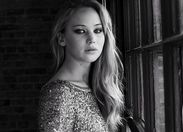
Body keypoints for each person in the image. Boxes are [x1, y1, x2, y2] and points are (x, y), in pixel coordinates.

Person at [38, 0, 124, 131]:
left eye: (98, 30)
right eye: (81, 31)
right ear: (62, 38)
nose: (92, 39)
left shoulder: (94, 85)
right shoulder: (59, 94)